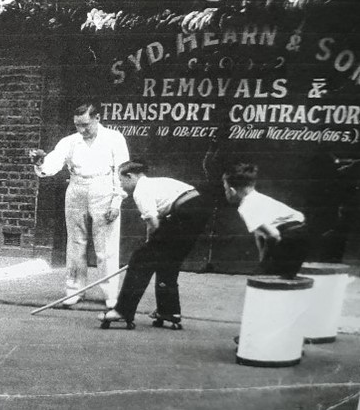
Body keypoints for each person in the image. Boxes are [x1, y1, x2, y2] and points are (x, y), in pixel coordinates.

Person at [30, 102, 129, 309]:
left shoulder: (114, 138)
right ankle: (74, 290)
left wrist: (116, 200)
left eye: (85, 125)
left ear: (97, 119)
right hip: (76, 188)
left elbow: (121, 171)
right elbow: (53, 164)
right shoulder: (70, 141)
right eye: (77, 125)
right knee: (75, 244)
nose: (81, 130)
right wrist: (40, 162)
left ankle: (111, 294)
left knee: (106, 246)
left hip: (104, 188)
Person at [98, 160, 213, 329]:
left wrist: (151, 244)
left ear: (130, 176)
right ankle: (169, 312)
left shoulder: (141, 191)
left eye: (121, 180)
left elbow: (153, 222)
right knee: (167, 263)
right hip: (197, 209)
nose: (121, 185)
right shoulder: (155, 183)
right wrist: (153, 242)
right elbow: (155, 223)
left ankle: (122, 311)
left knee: (140, 259)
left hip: (185, 212)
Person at [222, 162, 310, 279]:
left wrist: (264, 263)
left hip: (289, 236)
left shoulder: (245, 207)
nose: (226, 193)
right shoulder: (259, 198)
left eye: (225, 189)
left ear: (232, 191)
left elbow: (274, 235)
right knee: (278, 276)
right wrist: (262, 262)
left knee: (269, 279)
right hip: (302, 231)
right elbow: (260, 235)